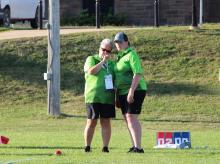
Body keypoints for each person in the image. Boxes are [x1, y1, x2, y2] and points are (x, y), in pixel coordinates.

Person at [113, 32, 147, 153]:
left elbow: (137, 73)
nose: (118, 44)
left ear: (127, 42)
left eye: (120, 42)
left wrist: (131, 91)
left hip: (135, 89)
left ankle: (139, 147)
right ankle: (134, 146)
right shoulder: (120, 57)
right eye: (116, 42)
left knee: (131, 117)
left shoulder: (131, 54)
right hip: (122, 92)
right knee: (127, 118)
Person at [83, 38, 115, 153]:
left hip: (107, 97)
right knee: (92, 121)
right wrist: (102, 62)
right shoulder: (91, 59)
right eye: (103, 50)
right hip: (93, 96)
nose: (105, 53)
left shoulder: (112, 64)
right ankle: (87, 146)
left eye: (108, 51)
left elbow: (114, 79)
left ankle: (105, 147)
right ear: (99, 48)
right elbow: (91, 71)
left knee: (106, 121)